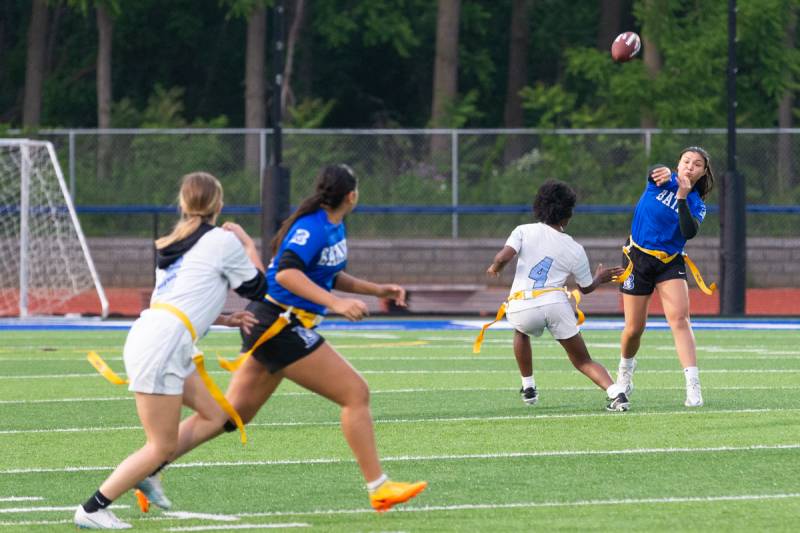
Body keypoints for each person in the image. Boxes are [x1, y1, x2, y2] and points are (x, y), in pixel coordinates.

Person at [136, 164, 427, 514]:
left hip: (276, 324)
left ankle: (149, 469)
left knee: (230, 416)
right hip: (278, 324)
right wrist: (335, 304)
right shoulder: (313, 227)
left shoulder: (332, 226)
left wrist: (376, 289)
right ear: (352, 195)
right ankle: (379, 488)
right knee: (356, 393)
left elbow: (328, 274)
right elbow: (287, 274)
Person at [74, 172, 266, 529]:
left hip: (161, 337)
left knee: (215, 417)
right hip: (163, 345)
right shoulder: (221, 242)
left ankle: (150, 472)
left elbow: (177, 300)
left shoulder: (174, 241)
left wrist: (226, 318)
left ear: (183, 203)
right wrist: (248, 244)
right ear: (218, 204)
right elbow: (259, 288)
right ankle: (92, 507)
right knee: (160, 445)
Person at [482, 179, 628, 411]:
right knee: (582, 360)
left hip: (523, 304)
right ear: (567, 214)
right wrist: (600, 277)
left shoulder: (523, 230)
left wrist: (495, 268)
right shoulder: (575, 248)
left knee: (521, 331)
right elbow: (586, 288)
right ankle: (616, 392)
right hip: (556, 304)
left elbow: (503, 257)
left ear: (539, 206)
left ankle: (528, 385)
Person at [614, 146, 716, 408]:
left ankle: (693, 386)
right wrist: (659, 172)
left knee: (680, 319)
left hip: (669, 261)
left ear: (703, 172)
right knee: (634, 328)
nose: (689, 166)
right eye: (686, 161)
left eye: (696, 164)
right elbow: (654, 173)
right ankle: (625, 373)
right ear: (678, 164)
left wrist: (682, 197)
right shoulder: (665, 178)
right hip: (637, 257)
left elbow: (688, 231)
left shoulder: (697, 204)